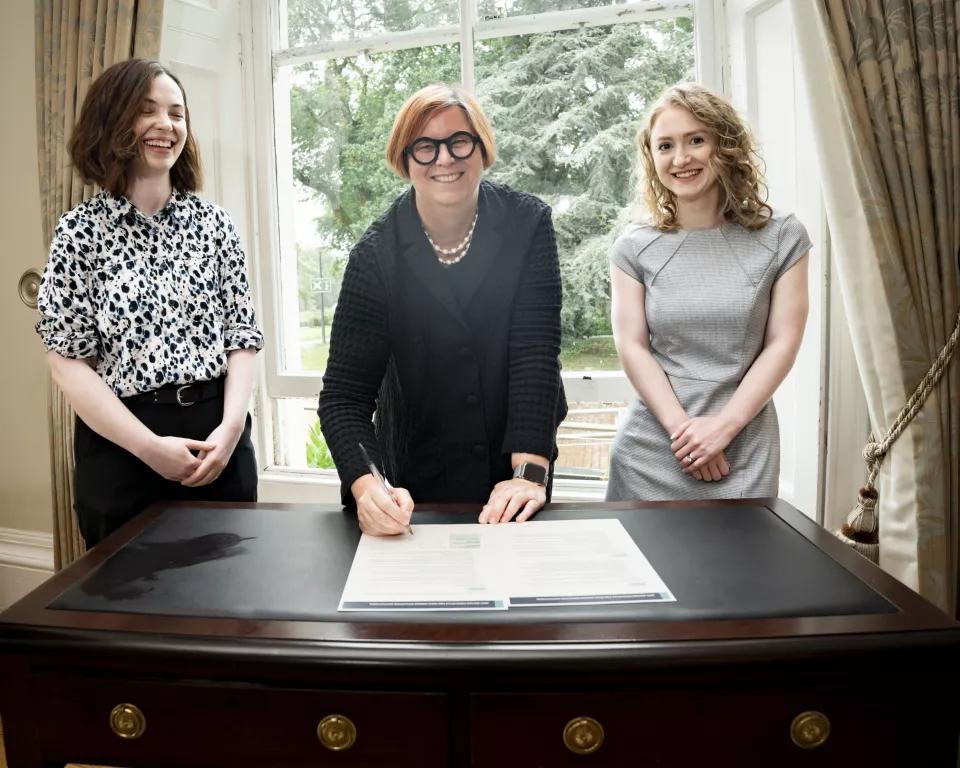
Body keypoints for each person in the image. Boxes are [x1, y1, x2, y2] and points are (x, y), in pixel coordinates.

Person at [318, 84, 567, 536]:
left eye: (459, 142)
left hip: (516, 468)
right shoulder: (375, 255)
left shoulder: (527, 224)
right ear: (405, 159)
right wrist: (367, 484)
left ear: (482, 149)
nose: (444, 159)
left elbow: (536, 354)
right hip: (415, 474)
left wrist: (529, 475)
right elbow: (344, 396)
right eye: (425, 147)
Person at [35, 58, 263, 547]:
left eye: (177, 113)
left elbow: (242, 339)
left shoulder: (215, 226)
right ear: (113, 122)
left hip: (218, 446)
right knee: (129, 617)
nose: (167, 125)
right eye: (148, 110)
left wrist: (231, 430)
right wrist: (150, 449)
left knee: (230, 614)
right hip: (123, 452)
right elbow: (67, 363)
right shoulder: (78, 234)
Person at [606, 82, 810, 501]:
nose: (680, 158)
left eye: (696, 140)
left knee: (743, 567)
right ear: (652, 157)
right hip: (651, 450)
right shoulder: (633, 245)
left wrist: (723, 428)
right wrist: (687, 436)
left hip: (744, 449)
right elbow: (632, 347)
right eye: (665, 146)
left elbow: (783, 343)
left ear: (726, 145)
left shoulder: (783, 237)